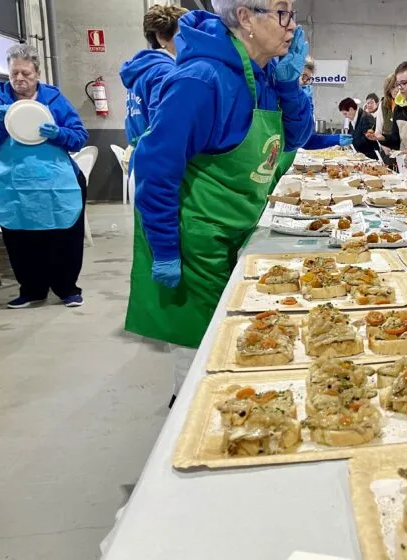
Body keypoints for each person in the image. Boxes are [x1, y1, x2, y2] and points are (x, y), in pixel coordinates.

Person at [125, 3, 314, 400]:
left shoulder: (264, 75)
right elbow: (156, 167)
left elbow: (293, 140)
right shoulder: (201, 79)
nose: (292, 25)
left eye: (293, 13)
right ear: (246, 17)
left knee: (237, 344)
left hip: (238, 225)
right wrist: (164, 248)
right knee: (202, 359)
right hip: (194, 237)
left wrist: (290, 85)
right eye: (282, 13)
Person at [0, 44, 89, 309]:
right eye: (13, 73)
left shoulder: (53, 99)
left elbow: (79, 136)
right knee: (20, 237)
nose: (19, 79)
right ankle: (31, 290)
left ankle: (67, 289)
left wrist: (59, 133)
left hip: (57, 180)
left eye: (26, 74)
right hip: (14, 181)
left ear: (37, 73)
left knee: (63, 235)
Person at [120, 4, 189, 203]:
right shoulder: (164, 72)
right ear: (161, 37)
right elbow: (162, 125)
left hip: (141, 161)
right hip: (158, 167)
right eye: (182, 34)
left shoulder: (143, 69)